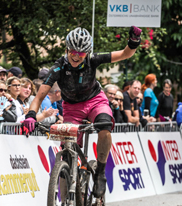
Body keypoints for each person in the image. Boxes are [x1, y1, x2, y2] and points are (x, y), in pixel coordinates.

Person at [24, 26, 142, 199]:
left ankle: (100, 172)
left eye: (81, 53)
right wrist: (30, 115)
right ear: (66, 49)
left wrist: (133, 42)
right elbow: (39, 97)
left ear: (87, 53)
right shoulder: (58, 68)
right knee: (67, 150)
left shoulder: (93, 60)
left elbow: (124, 54)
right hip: (72, 107)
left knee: (105, 126)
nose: (76, 56)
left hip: (95, 101)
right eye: (72, 51)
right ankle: (65, 198)